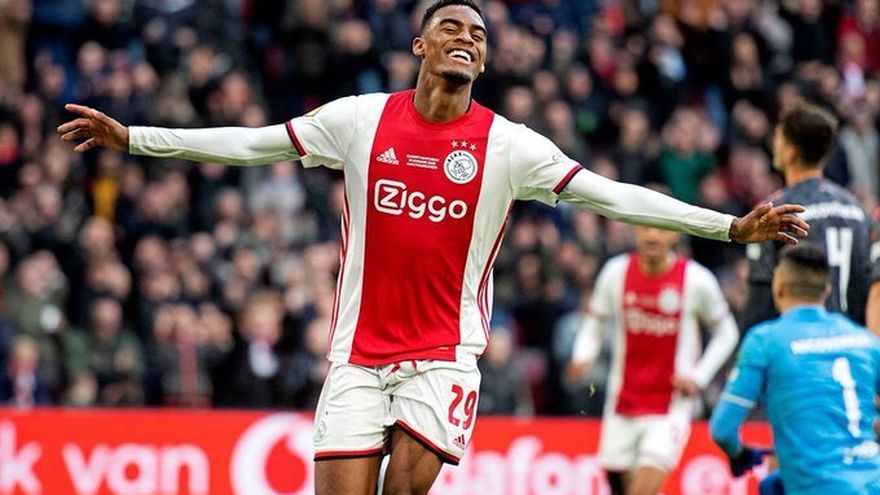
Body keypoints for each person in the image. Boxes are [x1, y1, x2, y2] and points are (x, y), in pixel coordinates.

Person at [56, 1, 810, 493]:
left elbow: (615, 195)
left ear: (484, 62)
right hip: (356, 358)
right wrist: (136, 138)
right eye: (452, 27)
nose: (467, 39)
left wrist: (728, 226)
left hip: (442, 359)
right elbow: (251, 144)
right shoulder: (359, 120)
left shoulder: (509, 146)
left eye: (478, 36)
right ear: (420, 44)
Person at [566, 226, 739, 495]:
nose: (652, 236)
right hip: (622, 402)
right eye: (645, 227)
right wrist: (582, 354)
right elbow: (595, 322)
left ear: (675, 234)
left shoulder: (696, 280)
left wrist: (698, 377)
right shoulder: (616, 272)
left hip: (670, 407)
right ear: (634, 229)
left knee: (641, 490)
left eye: (661, 229)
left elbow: (727, 332)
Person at [710, 244, 880, 495]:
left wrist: (740, 453)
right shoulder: (865, 340)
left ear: (778, 287)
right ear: (826, 290)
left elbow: (723, 429)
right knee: (772, 486)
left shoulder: (765, 341)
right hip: (873, 481)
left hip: (819, 487)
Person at [743, 100, 870, 329]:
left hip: (799, 342)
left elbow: (759, 301)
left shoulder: (775, 212)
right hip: (853, 340)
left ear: (790, 152)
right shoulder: (857, 210)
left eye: (778, 138)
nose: (774, 144)